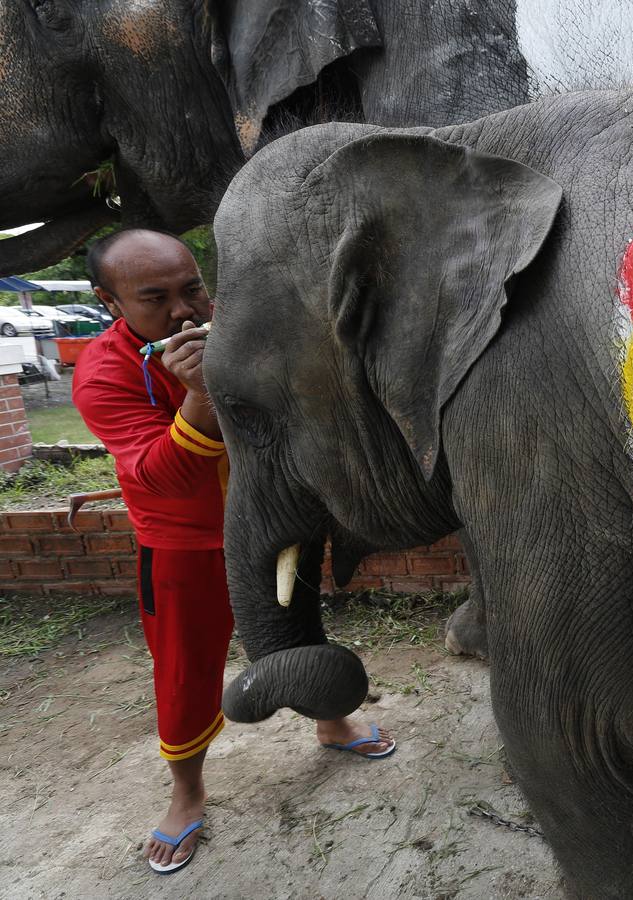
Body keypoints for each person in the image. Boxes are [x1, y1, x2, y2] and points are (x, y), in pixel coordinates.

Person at [72, 229, 395, 875]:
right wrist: (199, 392)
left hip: (274, 520)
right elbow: (163, 476)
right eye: (155, 298)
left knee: (299, 628)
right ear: (110, 303)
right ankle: (187, 791)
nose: (184, 312)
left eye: (193, 288)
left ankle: (330, 721)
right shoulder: (103, 375)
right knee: (185, 670)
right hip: (184, 547)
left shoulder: (241, 329)